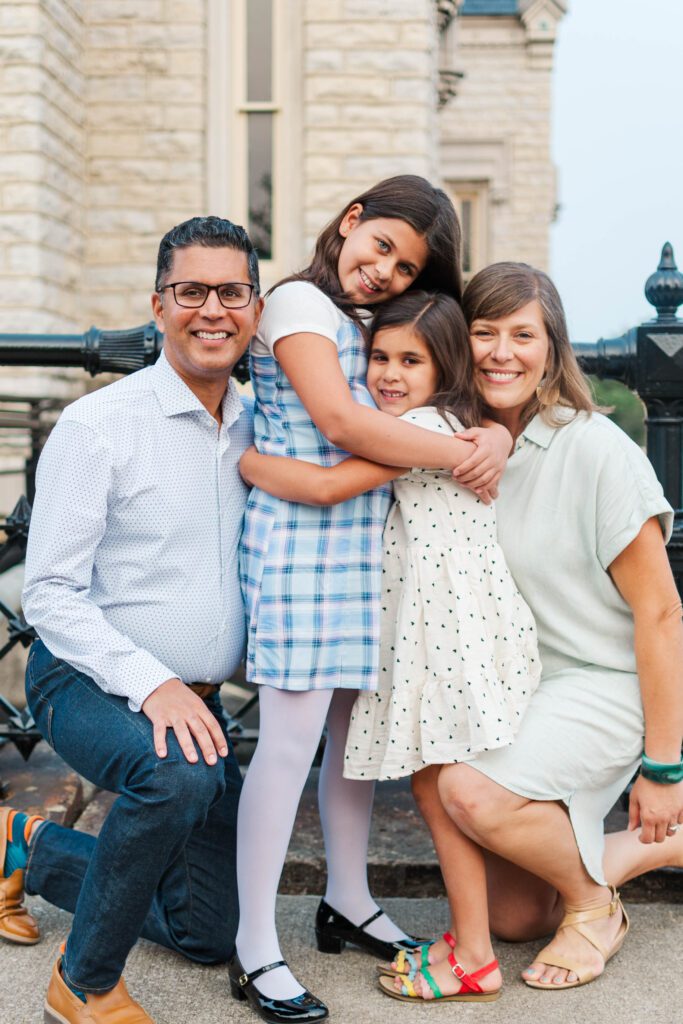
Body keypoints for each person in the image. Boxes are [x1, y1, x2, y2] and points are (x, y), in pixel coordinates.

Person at [233, 176, 513, 1023]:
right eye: (380, 244)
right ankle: (253, 947)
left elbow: (422, 401)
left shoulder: (359, 323)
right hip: (297, 547)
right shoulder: (297, 307)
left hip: (359, 550)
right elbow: (344, 425)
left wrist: (489, 430)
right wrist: (460, 449)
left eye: (406, 267)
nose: (383, 270)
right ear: (350, 221)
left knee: (350, 739)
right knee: (285, 747)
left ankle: (346, 901)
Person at [393, 261, 683, 1002]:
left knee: (467, 788)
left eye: (522, 335)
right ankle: (629, 858)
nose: (500, 352)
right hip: (517, 688)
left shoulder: (594, 450)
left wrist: (663, 767)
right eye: (482, 332)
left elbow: (659, 613)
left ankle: (594, 908)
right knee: (514, 916)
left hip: (601, 687)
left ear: (551, 349)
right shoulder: (454, 445)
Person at [8, 216, 263, 1024]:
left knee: (204, 932)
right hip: (84, 680)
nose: (212, 310)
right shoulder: (100, 426)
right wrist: (151, 685)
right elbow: (46, 593)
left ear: (255, 309)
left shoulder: (262, 426)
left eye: (232, 291)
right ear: (158, 306)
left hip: (200, 700)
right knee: (176, 774)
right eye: (191, 292)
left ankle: (29, 848)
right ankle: (83, 983)